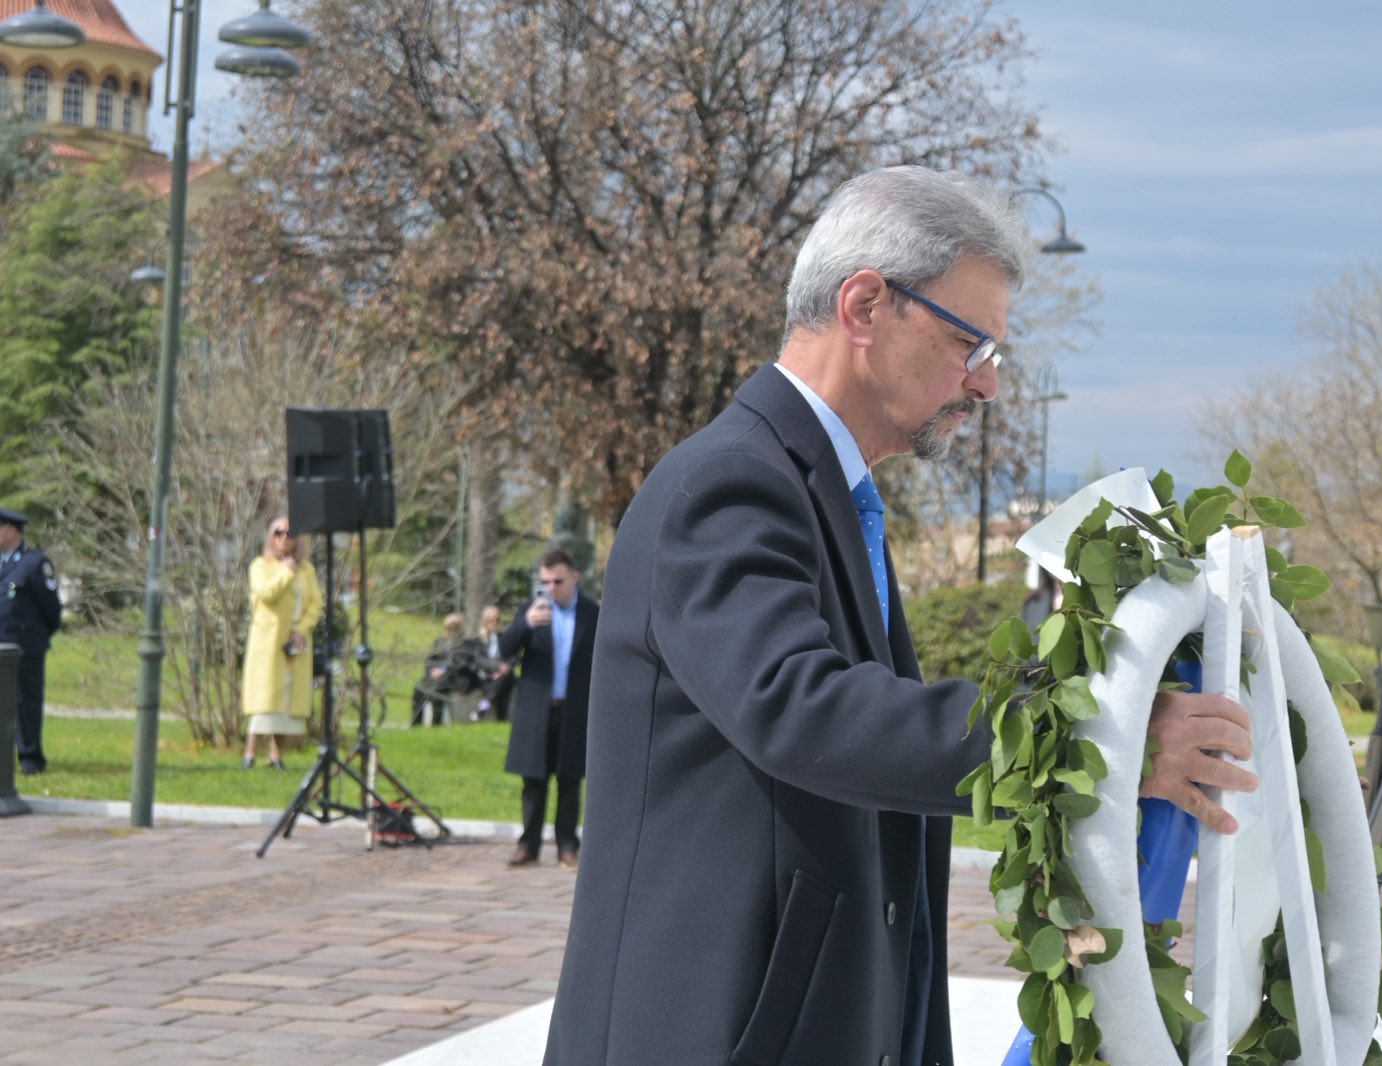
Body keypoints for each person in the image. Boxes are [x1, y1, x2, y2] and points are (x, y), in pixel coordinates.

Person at [542, 166, 1258, 1064]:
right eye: (970, 345)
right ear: (865, 307)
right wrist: (1103, 733)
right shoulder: (727, 483)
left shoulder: (822, 495)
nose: (987, 386)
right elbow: (804, 710)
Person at [502, 549, 598, 870]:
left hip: (574, 709)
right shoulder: (531, 611)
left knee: (570, 780)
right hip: (536, 709)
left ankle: (567, 847)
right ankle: (528, 846)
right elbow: (504, 649)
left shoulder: (591, 613)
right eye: (545, 582)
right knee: (533, 781)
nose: (551, 587)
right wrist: (526, 624)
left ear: (574, 577)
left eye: (558, 581)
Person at [240, 517, 323, 770]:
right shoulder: (260, 566)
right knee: (264, 700)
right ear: (271, 536)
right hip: (269, 641)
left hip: (296, 640)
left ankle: (276, 755)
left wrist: (302, 629)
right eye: (279, 533)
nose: (284, 538)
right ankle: (250, 753)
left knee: (288, 700)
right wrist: (285, 572)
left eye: (290, 533)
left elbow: (316, 603)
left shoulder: (306, 570)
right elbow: (267, 594)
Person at [0, 508, 62, 777]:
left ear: (12, 530)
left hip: (24, 648)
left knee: (26, 703)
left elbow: (52, 611)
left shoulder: (34, 563)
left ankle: (30, 758)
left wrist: (34, 637)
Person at [409, 612, 483, 725]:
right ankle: (415, 724)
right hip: (437, 676)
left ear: (459, 627)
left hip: (456, 678)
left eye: (453, 626)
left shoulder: (466, 644)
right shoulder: (440, 642)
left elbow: (462, 664)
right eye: (447, 626)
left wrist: (443, 669)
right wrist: (433, 670)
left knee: (437, 689)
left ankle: (436, 723)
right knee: (419, 688)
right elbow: (430, 660)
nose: (449, 629)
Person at [468, 604, 514, 722]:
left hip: (504, 675)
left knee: (506, 678)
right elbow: (478, 659)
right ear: (485, 621)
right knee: (503, 683)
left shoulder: (505, 638)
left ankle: (483, 709)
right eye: (491, 620)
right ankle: (501, 718)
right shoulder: (478, 640)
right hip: (485, 675)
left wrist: (503, 669)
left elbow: (514, 656)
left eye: (497, 620)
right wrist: (497, 667)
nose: (494, 623)